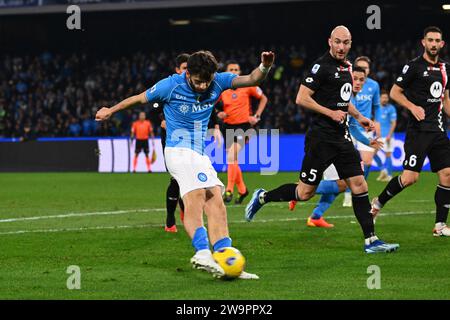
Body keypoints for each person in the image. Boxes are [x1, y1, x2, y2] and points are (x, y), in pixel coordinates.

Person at [96, 50, 275, 278]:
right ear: (188, 73)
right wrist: (110, 110)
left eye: (206, 82)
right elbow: (139, 98)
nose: (202, 87)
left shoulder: (218, 81)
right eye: (198, 82)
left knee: (216, 202)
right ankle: (201, 252)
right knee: (196, 197)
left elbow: (251, 79)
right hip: (178, 151)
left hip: (199, 154)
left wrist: (265, 66)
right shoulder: (170, 85)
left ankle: (225, 257)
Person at [245, 26, 399, 253]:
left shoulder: (347, 66)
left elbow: (341, 99)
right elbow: (301, 98)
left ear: (350, 43)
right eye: (337, 42)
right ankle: (263, 197)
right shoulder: (321, 67)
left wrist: (359, 116)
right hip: (321, 139)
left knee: (359, 184)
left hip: (342, 137)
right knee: (305, 192)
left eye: (346, 42)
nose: (341, 47)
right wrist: (330, 113)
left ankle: (371, 241)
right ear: (330, 41)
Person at [371, 26, 450, 237]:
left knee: (448, 174)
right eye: (430, 40)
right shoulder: (413, 67)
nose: (433, 44)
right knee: (409, 179)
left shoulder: (445, 69)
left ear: (442, 44)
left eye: (437, 41)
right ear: (423, 42)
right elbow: (396, 92)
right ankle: (378, 202)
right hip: (418, 131)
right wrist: (412, 107)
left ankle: (440, 225)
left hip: (438, 130)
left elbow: (446, 99)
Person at [289, 66, 383, 228]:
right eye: (356, 78)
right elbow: (351, 126)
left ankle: (316, 215)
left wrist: (367, 140)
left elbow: (352, 125)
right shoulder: (342, 94)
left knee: (341, 185)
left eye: (362, 79)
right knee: (339, 184)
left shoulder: (351, 96)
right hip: (330, 143)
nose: (359, 82)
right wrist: (367, 141)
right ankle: (297, 192)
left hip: (340, 143)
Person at [163, 53, 223, 233]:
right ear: (182, 71)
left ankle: (187, 211)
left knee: (193, 186)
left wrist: (216, 126)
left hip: (195, 145)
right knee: (177, 181)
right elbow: (152, 108)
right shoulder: (170, 88)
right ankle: (172, 217)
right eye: (182, 69)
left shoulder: (205, 92)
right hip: (173, 141)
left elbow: (209, 111)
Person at [216, 60, 268, 204]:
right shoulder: (222, 89)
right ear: (226, 72)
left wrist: (257, 116)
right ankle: (243, 189)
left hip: (244, 127)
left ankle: (229, 190)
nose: (233, 71)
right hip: (227, 127)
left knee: (231, 157)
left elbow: (263, 98)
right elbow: (211, 104)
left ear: (239, 72)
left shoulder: (248, 85)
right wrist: (218, 113)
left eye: (236, 69)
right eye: (231, 69)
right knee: (233, 160)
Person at [342, 56, 381, 207]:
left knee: (367, 161)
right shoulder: (348, 86)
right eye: (359, 67)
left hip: (364, 127)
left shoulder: (374, 85)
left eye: (365, 69)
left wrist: (376, 122)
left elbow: (377, 105)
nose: (359, 80)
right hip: (350, 126)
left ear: (369, 70)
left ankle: (356, 191)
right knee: (350, 163)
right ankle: (348, 193)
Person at [374, 90, 398, 182]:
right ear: (380, 98)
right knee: (373, 153)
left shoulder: (391, 108)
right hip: (379, 136)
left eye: (386, 98)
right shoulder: (377, 109)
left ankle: (389, 175)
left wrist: (389, 135)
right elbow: (376, 122)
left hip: (388, 136)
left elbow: (393, 123)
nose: (385, 99)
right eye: (383, 97)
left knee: (388, 155)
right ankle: (383, 170)